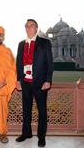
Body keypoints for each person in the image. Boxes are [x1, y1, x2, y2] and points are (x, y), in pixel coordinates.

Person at [15, 19, 53, 147]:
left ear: (36, 28)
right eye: (26, 26)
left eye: (31, 26)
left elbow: (50, 62)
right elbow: (18, 63)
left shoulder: (44, 43)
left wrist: (48, 80)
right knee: (26, 109)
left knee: (42, 111)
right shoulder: (21, 44)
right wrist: (18, 80)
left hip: (40, 83)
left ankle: (41, 137)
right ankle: (26, 133)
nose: (28, 28)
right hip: (25, 82)